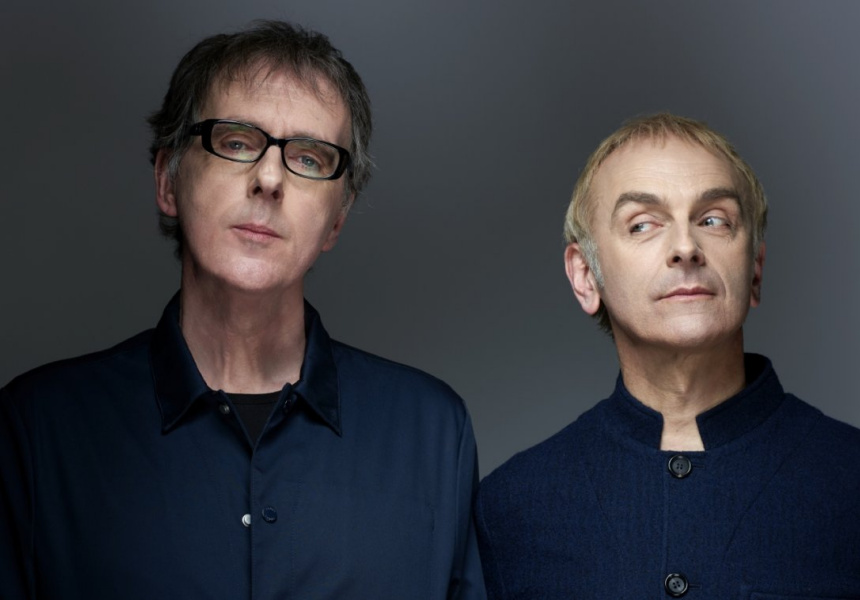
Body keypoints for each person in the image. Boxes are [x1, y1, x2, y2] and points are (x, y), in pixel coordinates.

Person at [0, 21, 485, 599]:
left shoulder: (432, 433)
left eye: (309, 158)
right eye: (235, 142)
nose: (270, 178)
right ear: (168, 181)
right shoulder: (37, 430)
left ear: (337, 218)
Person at [474, 113, 860, 598]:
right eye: (642, 225)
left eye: (714, 220)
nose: (685, 247)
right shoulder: (510, 509)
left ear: (755, 268)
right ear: (585, 277)